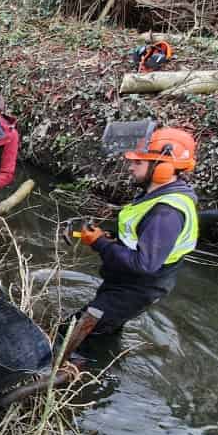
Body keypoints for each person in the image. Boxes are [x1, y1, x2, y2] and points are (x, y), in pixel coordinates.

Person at [73, 126, 199, 338]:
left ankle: (74, 367)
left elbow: (143, 265)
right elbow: (139, 236)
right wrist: (110, 237)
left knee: (70, 335)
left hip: (135, 290)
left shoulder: (166, 212)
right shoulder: (156, 195)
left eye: (138, 162)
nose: (130, 167)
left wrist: (100, 243)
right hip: (126, 283)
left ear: (163, 168)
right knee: (103, 335)